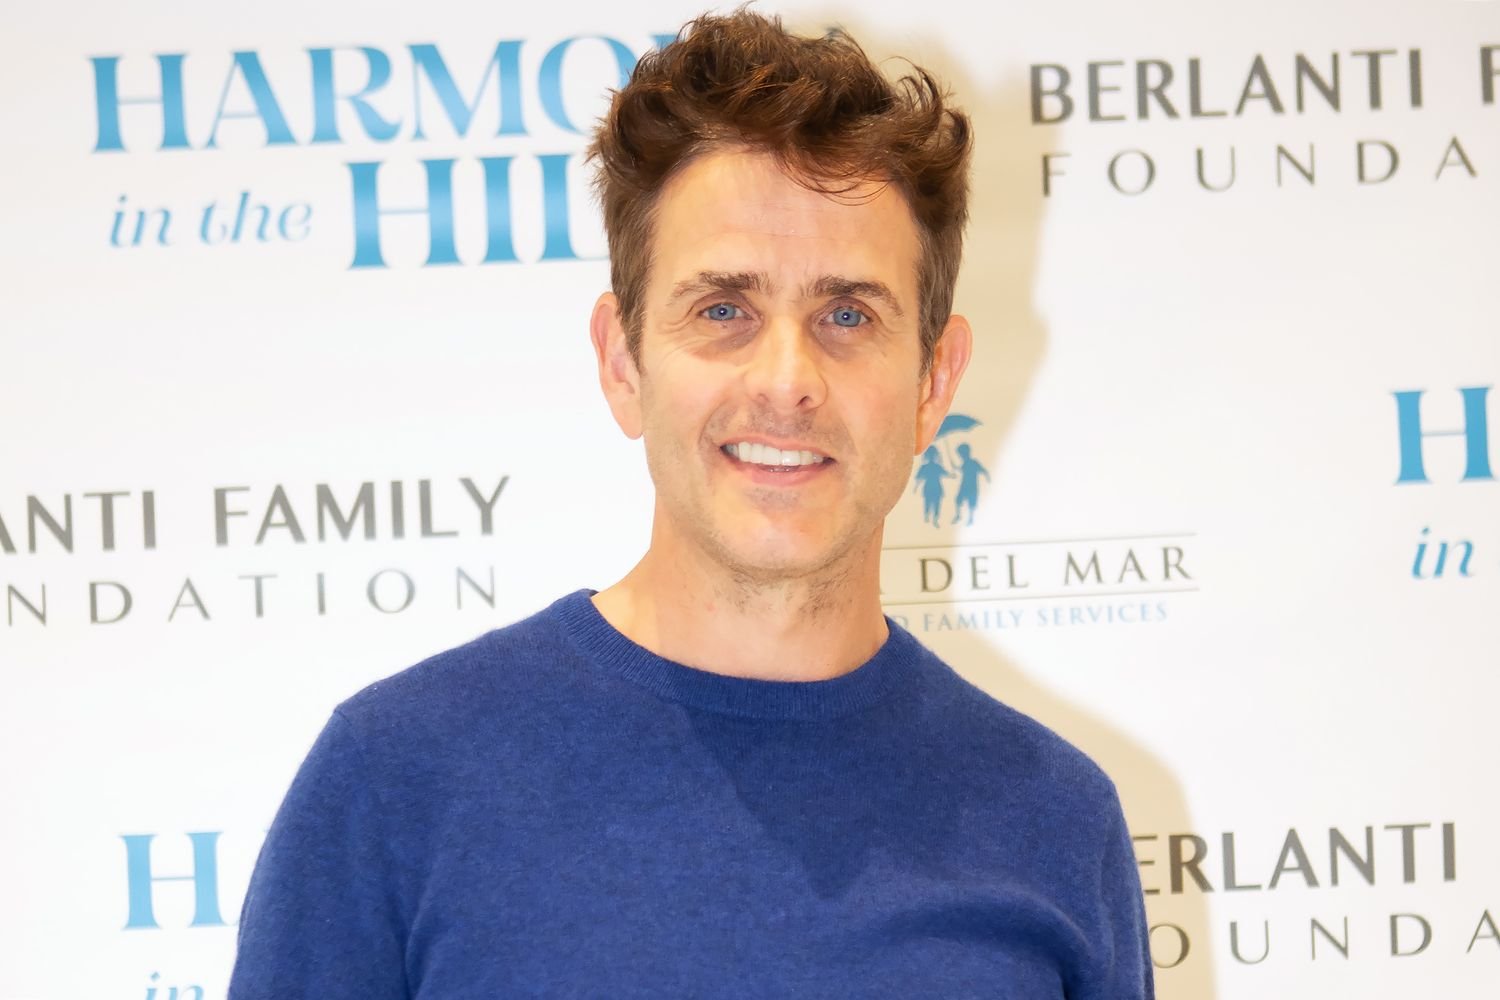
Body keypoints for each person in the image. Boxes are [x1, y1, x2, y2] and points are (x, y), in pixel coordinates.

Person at [227, 10, 1154, 999]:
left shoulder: (1056, 823)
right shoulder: (396, 785)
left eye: (847, 314)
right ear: (622, 362)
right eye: (723, 310)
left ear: (935, 381)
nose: (787, 380)